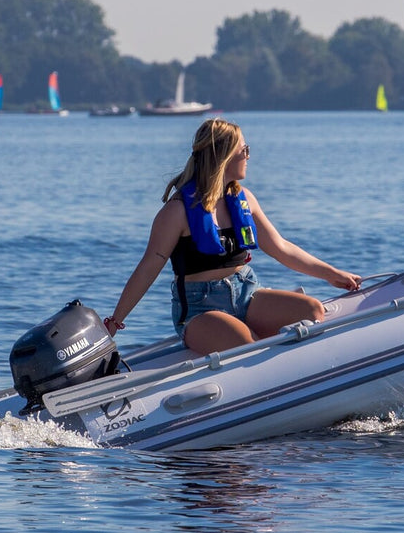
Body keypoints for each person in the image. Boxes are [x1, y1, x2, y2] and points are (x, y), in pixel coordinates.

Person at [102, 118, 361, 355]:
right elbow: (148, 269)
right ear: (224, 157)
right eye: (244, 150)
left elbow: (281, 248)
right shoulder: (176, 212)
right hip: (201, 308)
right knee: (248, 346)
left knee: (312, 310)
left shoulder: (244, 199)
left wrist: (331, 274)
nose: (248, 156)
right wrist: (115, 321)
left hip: (247, 291)